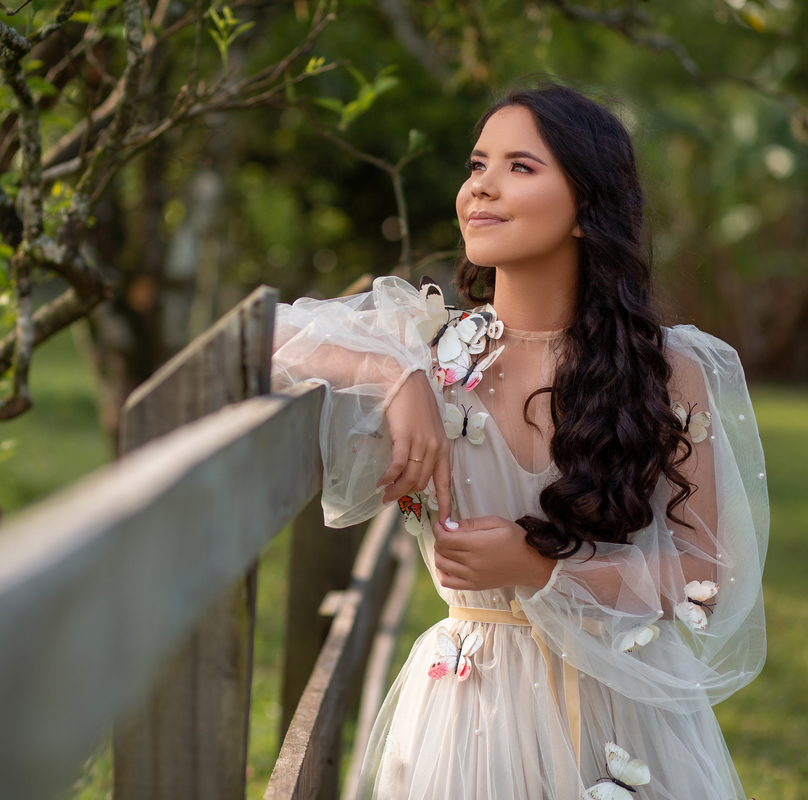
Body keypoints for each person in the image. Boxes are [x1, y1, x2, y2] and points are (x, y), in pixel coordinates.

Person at [272, 82, 768, 800]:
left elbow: (705, 579)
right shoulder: (429, 346)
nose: (482, 188)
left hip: (624, 712)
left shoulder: (666, 369)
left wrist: (541, 565)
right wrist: (392, 374)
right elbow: (258, 337)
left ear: (585, 207)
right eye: (477, 165)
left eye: (520, 167)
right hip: (471, 712)